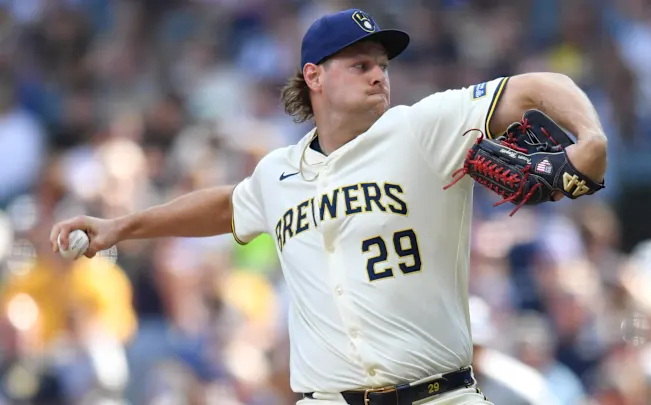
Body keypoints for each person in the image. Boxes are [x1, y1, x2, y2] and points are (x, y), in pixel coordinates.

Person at [50, 8, 607, 405]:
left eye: (382, 64)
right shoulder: (278, 172)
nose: (378, 73)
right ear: (313, 76)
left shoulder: (422, 128)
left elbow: (540, 85)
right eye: (359, 64)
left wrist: (590, 138)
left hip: (441, 395)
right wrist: (120, 226)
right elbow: (227, 206)